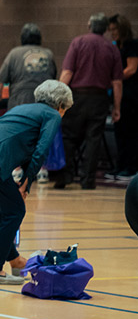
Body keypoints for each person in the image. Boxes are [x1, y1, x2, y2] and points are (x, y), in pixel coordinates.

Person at [0, 80, 72, 284]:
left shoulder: (25, 108)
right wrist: (26, 184)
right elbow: (42, 149)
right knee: (15, 210)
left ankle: (14, 259)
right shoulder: (52, 114)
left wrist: (23, 178)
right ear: (61, 105)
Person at [53, 13, 124, 190]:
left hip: (77, 96)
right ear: (105, 29)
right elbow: (117, 82)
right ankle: (87, 180)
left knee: (68, 136)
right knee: (94, 139)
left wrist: (58, 97)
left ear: (89, 26)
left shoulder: (78, 42)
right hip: (99, 98)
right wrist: (117, 107)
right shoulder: (112, 48)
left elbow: (67, 72)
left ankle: (65, 176)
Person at [0, 23, 58, 110]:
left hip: (19, 101)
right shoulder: (48, 54)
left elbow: (1, 78)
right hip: (44, 103)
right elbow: (54, 78)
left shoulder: (14, 53)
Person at [107, 15, 138, 180]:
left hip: (131, 94)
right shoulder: (115, 47)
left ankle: (130, 166)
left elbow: (132, 69)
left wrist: (114, 77)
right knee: (120, 131)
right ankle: (120, 165)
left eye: (115, 29)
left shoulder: (132, 45)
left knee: (130, 131)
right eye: (110, 30)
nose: (112, 33)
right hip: (119, 93)